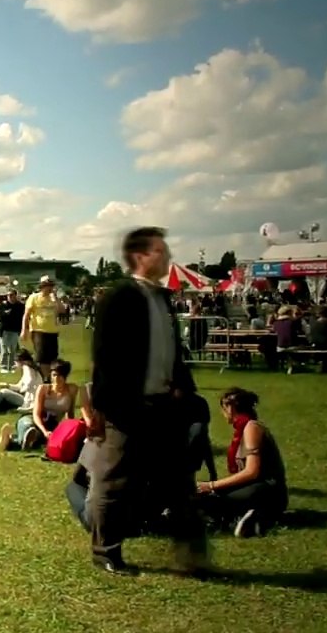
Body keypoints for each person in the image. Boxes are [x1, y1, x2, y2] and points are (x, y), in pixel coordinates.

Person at [88, 226, 209, 576]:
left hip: (164, 405)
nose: (167, 256)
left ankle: (192, 555)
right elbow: (106, 357)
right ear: (141, 256)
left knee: (180, 479)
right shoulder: (119, 297)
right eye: (160, 250)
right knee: (113, 481)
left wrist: (183, 387)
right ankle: (106, 550)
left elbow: (173, 351)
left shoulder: (163, 297)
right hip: (127, 408)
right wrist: (116, 405)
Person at [196, 388, 288, 537]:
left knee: (213, 498)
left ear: (230, 408)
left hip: (267, 491)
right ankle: (245, 518)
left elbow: (252, 472)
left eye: (223, 408)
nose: (223, 413)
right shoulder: (243, 429)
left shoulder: (252, 428)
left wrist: (212, 485)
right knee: (206, 496)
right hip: (255, 488)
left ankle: (248, 519)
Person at [0, 359, 77, 451]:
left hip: (52, 424)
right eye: (54, 375)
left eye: (60, 376)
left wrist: (69, 431)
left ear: (65, 376)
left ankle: (10, 441)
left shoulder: (71, 389)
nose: (57, 379)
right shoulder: (43, 389)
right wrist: (44, 431)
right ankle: (23, 438)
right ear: (50, 375)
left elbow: (70, 414)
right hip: (34, 419)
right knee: (29, 427)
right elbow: (36, 414)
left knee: (41, 440)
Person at [21, 277, 61, 377]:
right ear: (42, 287)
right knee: (42, 357)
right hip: (39, 330)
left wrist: (56, 298)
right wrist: (24, 330)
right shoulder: (34, 298)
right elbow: (26, 315)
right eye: (48, 286)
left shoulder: (53, 299)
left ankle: (50, 377)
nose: (50, 289)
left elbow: (62, 310)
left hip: (52, 332)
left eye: (51, 286)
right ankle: (44, 378)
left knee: (53, 358)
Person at [0, 290, 25, 373]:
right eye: (8, 295)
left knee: (13, 349)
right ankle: (4, 366)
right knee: (4, 349)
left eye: (11, 295)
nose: (9, 296)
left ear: (15, 295)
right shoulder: (3, 305)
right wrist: (5, 313)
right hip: (4, 330)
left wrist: (21, 329)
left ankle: (12, 366)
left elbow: (22, 317)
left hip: (14, 330)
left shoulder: (20, 306)